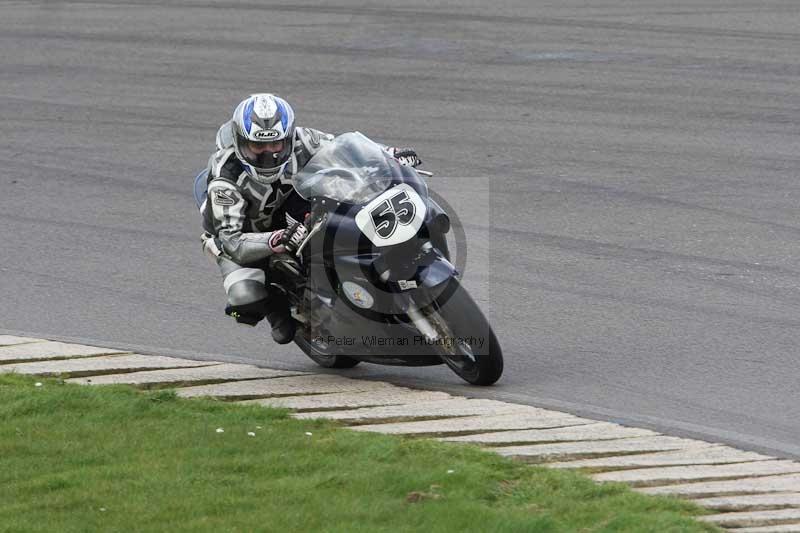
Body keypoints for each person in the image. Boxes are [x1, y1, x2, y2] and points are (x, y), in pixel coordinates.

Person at [199, 93, 421, 344]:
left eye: (276, 145)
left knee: (345, 203)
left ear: (288, 137)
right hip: (244, 232)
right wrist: (276, 239)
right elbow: (233, 242)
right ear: (241, 142)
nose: (269, 155)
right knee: (245, 301)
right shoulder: (224, 180)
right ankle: (278, 310)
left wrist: (391, 154)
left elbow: (347, 149)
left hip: (289, 203)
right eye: (258, 146)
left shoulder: (301, 139)